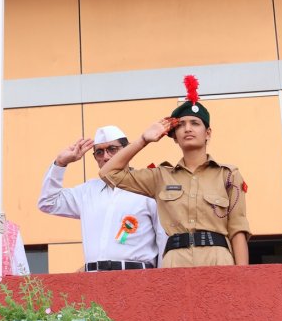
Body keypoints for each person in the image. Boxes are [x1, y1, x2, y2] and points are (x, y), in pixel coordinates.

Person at [100, 75, 250, 267]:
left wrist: (243, 277)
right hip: (175, 260)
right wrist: (143, 140)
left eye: (195, 123)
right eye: (181, 125)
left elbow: (237, 228)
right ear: (174, 137)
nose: (188, 129)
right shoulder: (161, 176)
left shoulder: (228, 175)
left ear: (208, 133)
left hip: (218, 258)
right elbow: (108, 173)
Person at [38, 124, 165, 271]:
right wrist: (60, 163)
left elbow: (163, 240)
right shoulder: (87, 191)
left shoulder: (147, 187)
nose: (105, 157)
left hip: (137, 278)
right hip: (94, 280)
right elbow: (48, 202)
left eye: (112, 149)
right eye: (99, 152)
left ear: (128, 149)